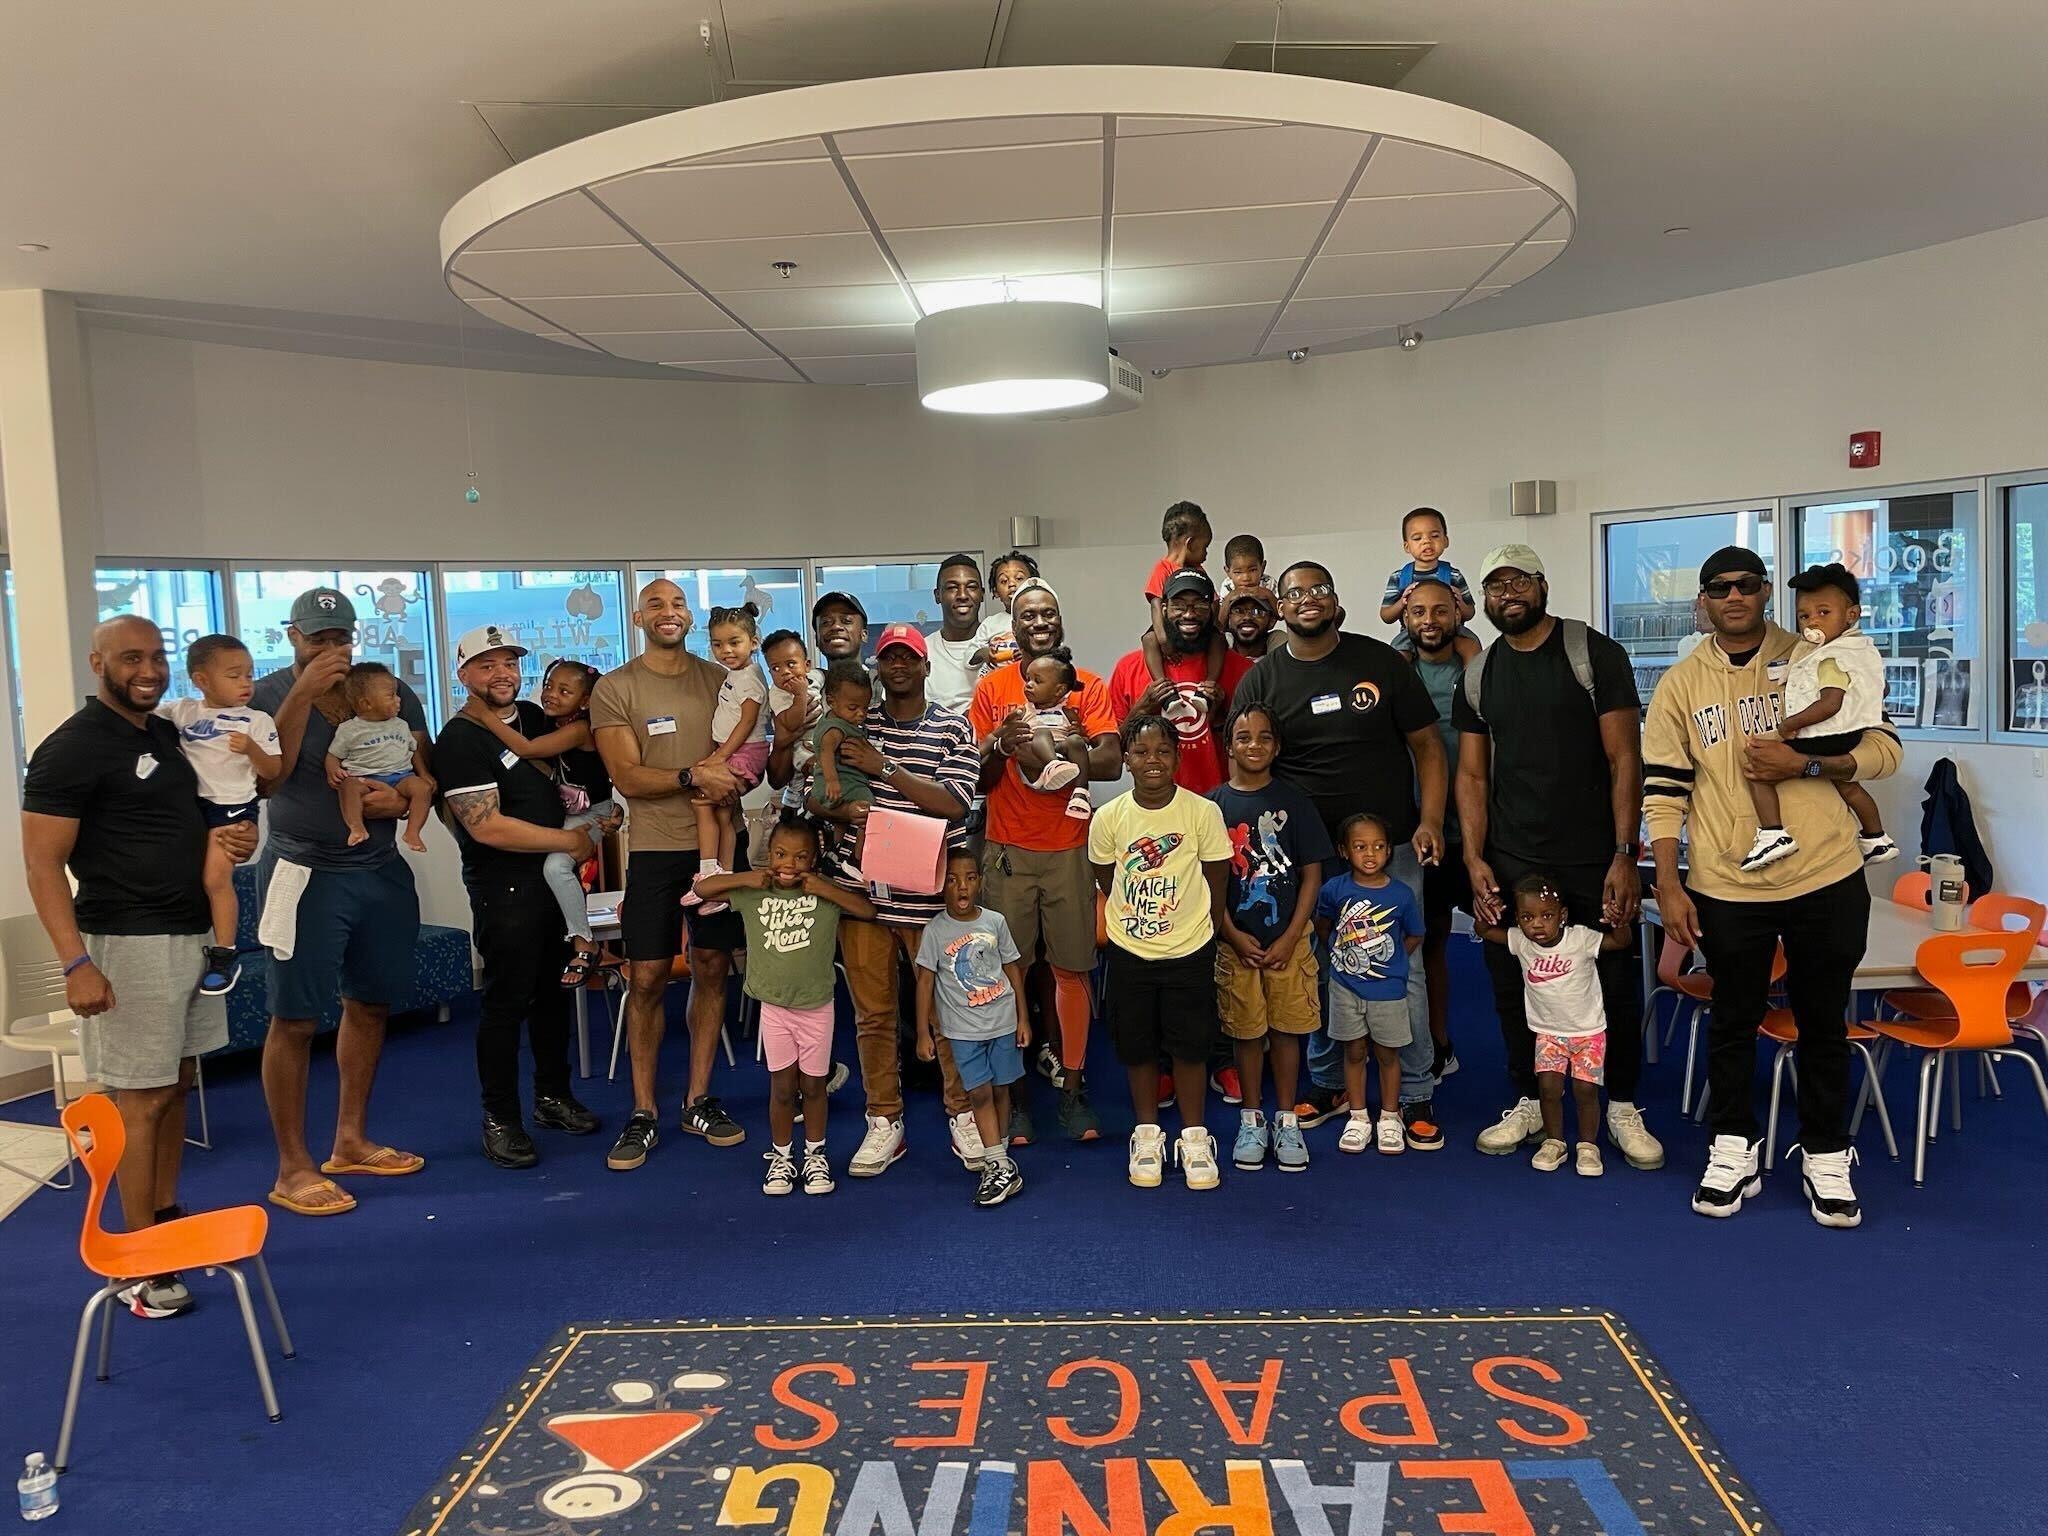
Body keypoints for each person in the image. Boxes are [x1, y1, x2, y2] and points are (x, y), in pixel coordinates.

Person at [1645, 545, 1901, 1228]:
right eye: (1719, 587)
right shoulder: (1679, 685)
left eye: (1747, 585)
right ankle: (1733, 1142)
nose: (1733, 596)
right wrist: (1668, 882)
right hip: (1728, 882)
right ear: (1703, 601)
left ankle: (1825, 1150)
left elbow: (1885, 750)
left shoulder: (1820, 654)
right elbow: (1664, 791)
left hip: (1824, 873)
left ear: (1764, 594)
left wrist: (1810, 764)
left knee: (1822, 1022)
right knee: (1731, 1020)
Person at [22, 616, 259, 1316]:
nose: (147, 670)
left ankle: (165, 1222)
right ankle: (137, 1266)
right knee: (140, 1097)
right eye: (131, 658)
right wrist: (75, 964)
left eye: (156, 657)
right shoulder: (71, 748)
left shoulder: (162, 733)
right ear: (98, 662)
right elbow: (42, 866)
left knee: (177, 1086)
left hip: (190, 934)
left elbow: (194, 814)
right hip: (125, 944)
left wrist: (230, 839)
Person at [1454, 544, 1663, 1172]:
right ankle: (1528, 1098)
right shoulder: (1480, 672)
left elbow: (1627, 757)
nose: (1506, 595)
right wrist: (1474, 857)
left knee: (1614, 983)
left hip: (1592, 856)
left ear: (1543, 585)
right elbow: (1471, 775)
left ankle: (1621, 1104)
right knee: (1513, 985)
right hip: (1512, 858)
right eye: (1494, 586)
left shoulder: (1591, 653)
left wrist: (1625, 853)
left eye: (1518, 581)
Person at [1230, 561, 1449, 1149]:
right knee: (1325, 966)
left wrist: (1430, 818)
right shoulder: (1262, 680)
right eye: (1295, 593)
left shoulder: (1379, 662)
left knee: (1400, 965)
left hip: (1391, 846)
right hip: (1308, 858)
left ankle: (1414, 1089)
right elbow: (1245, 762)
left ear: (1336, 599)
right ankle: (1330, 1083)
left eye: (1319, 589)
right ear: (1280, 606)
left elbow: (1427, 745)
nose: (1308, 600)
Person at [251, 586, 430, 1217]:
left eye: (340, 638)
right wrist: (303, 693)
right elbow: (266, 776)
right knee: (294, 1019)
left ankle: (349, 1140)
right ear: (292, 635)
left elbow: (419, 762)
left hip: (378, 867)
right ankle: (291, 1165)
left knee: (371, 1004)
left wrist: (402, 801)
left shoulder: (384, 687)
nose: (331, 649)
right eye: (317, 638)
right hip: (303, 870)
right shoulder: (268, 694)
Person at [588, 577, 747, 1170]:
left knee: (712, 967)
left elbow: (747, 752)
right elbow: (628, 778)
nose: (669, 612)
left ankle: (698, 1098)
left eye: (678, 603)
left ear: (690, 614)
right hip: (655, 852)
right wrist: (693, 777)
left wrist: (739, 776)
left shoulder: (721, 680)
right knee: (648, 979)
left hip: (719, 852)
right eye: (656, 603)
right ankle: (643, 1111)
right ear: (638, 616)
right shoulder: (615, 688)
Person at [435, 627, 607, 1168]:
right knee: (506, 1004)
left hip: (553, 884)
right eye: (486, 665)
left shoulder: (535, 718)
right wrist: (572, 841)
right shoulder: (460, 740)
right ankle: (500, 1118)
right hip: (503, 888)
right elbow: (487, 828)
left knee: (554, 996)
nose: (502, 674)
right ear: (463, 675)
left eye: (508, 662)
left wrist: (601, 818)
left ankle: (552, 1097)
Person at [829, 622, 984, 1177]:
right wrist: (838, 806)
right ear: (878, 666)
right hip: (864, 895)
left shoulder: (951, 726)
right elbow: (820, 792)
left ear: (924, 666)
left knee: (948, 1016)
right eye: (889, 657)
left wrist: (883, 769)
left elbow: (955, 806)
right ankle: (883, 1121)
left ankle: (962, 1115)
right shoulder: (855, 723)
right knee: (874, 1016)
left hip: (930, 897)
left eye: (908, 657)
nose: (898, 666)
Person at [970, 579, 1123, 1141]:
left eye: (1049, 613)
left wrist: (1060, 745)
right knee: (1007, 976)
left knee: (1073, 971)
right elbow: (978, 777)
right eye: (1029, 614)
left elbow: (1109, 762)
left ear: (1060, 621)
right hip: (1009, 847)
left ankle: (1075, 1092)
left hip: (1070, 848)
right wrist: (1001, 746)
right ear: (1012, 625)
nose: (1040, 621)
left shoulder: (1088, 685)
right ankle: (1015, 1101)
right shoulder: (993, 688)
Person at [1089, 714, 1233, 1189]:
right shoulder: (1109, 818)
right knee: (1138, 1045)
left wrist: (1197, 928)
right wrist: (1136, 922)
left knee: (1191, 1045)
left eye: (1163, 751)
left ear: (1177, 756)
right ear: (1126, 759)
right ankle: (1147, 1133)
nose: (1153, 760)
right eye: (1141, 752)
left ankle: (1193, 1136)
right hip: (1131, 951)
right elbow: (1108, 880)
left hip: (1189, 948)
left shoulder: (1202, 812)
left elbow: (1215, 879)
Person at [700, 817, 876, 1198]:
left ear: (813, 860)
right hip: (775, 1009)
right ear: (769, 855)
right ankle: (781, 1157)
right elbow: (703, 888)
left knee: (813, 1087)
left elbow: (866, 910)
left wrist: (824, 887)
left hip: (817, 1008)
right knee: (781, 1088)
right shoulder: (755, 892)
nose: (789, 864)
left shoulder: (823, 893)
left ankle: (815, 1155)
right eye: (780, 854)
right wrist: (746, 877)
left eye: (800, 857)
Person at [1210, 703, 1330, 1172]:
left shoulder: (1295, 803)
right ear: (1229, 747)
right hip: (1235, 942)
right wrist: (1232, 934)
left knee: (1286, 1030)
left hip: (1288, 944)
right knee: (1246, 1031)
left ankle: (1286, 1119)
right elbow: (1206, 879)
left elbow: (1312, 875)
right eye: (1243, 738)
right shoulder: (1213, 805)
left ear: (1276, 747)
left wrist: (1292, 936)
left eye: (1263, 737)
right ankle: (1251, 1117)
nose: (1253, 745)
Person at [459, 656, 615, 986]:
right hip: (572, 813)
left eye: (564, 690)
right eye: (547, 686)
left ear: (585, 701)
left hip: (590, 815)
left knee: (555, 868)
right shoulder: (546, 720)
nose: (550, 694)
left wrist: (485, 716)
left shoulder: (579, 729)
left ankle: (584, 941)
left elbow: (527, 749)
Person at [1471, 872, 1631, 1176]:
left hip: (1588, 1033)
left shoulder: (1580, 938)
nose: (1538, 924)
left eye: (1547, 916)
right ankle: (1555, 1141)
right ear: (1518, 920)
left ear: (1563, 916)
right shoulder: (1520, 941)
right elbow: (1485, 931)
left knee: (1585, 1090)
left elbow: (1620, 943)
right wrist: (1489, 908)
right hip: (1548, 1033)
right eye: (1528, 917)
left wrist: (1618, 921)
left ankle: (1587, 1146)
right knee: (1547, 1088)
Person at [1741, 562, 1898, 870]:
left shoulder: (1831, 657)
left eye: (1823, 613)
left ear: (1851, 615)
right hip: (1850, 733)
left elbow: (1830, 704)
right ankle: (1877, 838)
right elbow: (1881, 687)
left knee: (1757, 765)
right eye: (1804, 616)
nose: (1812, 622)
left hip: (1830, 734)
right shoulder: (1856, 649)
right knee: (1847, 785)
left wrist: (1790, 724)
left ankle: (1773, 833)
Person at [158, 633, 280, 995]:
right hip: (193, 808)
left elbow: (273, 771)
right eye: (234, 675)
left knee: (215, 879)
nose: (246, 683)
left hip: (233, 807)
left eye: (249, 675)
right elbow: (137, 718)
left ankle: (225, 953)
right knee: (187, 879)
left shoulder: (255, 720)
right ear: (201, 680)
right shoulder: (182, 711)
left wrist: (252, 749)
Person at [915, 849, 1031, 1207]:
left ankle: (999, 1158)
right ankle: (996, 1161)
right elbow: (925, 982)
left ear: (980, 881)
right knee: (978, 1093)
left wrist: (1023, 1017)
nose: (961, 886)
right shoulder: (936, 929)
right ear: (942, 886)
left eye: (969, 878)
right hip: (963, 1030)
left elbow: (1012, 969)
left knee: (1000, 1090)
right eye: (952, 879)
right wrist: (923, 1031)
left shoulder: (994, 922)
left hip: (1002, 1022)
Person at [1314, 813, 1425, 1155]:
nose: (1370, 854)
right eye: (1360, 847)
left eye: (1378, 847)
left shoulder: (1401, 894)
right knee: (1354, 1051)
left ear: (1390, 851)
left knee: (1388, 1054)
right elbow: (1323, 923)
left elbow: (1415, 934)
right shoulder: (1334, 889)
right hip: (1345, 989)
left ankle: (1390, 1118)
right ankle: (1359, 1117)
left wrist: (1393, 964)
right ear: (1344, 851)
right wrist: (1335, 950)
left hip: (1388, 992)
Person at [1401, 581, 1469, 1078]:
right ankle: (1428, 1045)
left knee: (1486, 937)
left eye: (1439, 611)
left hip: (1471, 825)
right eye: (1419, 611)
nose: (1429, 620)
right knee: (1426, 942)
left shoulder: (1477, 666)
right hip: (1419, 827)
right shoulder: (1393, 672)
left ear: (1457, 614)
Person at [1108, 569, 1251, 796]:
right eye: (1179, 605)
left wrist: (1221, 714)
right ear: (1163, 610)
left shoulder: (1242, 670)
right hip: (1154, 807)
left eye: (1200, 605)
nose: (1189, 614)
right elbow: (1112, 752)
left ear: (1212, 611)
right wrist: (1142, 708)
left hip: (1223, 804)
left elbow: (1257, 746)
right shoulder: (1128, 668)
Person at [685, 604, 771, 909]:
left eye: (734, 642)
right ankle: (723, 887)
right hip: (738, 751)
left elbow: (747, 722)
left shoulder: (749, 678)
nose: (725, 651)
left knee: (701, 801)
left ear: (754, 641)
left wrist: (719, 757)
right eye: (717, 644)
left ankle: (707, 874)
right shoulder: (738, 673)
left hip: (745, 753)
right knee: (723, 815)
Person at [326, 662, 434, 852]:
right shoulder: (350, 729)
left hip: (401, 776)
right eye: (391, 696)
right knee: (348, 787)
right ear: (366, 703)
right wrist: (332, 768)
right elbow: (333, 755)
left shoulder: (400, 724)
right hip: (364, 778)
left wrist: (423, 773)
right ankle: (356, 827)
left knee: (422, 789)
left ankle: (413, 831)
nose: (398, 700)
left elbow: (413, 750)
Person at [1141, 501, 1228, 699]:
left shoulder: (1198, 571)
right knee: (1149, 639)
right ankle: (1164, 690)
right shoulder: (1162, 569)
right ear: (1190, 543)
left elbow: (1213, 600)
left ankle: (1208, 686)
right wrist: (1164, 641)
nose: (1206, 554)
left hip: (1198, 631)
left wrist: (1215, 624)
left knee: (1218, 640)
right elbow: (1156, 606)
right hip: (1168, 630)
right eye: (1205, 547)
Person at [807, 658, 878, 878]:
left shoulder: (832, 720)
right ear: (832, 701)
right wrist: (832, 781)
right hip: (842, 784)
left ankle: (835, 850)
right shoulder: (836, 729)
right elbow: (826, 752)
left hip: (831, 785)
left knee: (841, 820)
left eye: (865, 708)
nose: (860, 714)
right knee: (870, 811)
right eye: (853, 708)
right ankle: (857, 859)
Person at [1379, 507, 1478, 657]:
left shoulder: (1454, 575)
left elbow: (1470, 613)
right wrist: (1402, 602)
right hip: (1410, 633)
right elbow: (1386, 616)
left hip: (1452, 631)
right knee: (1399, 656)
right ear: (1407, 546)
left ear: (1446, 540)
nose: (1426, 542)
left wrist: (1460, 603)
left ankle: (1470, 680)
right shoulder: (1399, 577)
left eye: (1435, 536)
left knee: (1471, 646)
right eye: (1418, 538)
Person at [1012, 648, 1094, 817]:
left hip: (1064, 767)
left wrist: (1078, 733)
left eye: (1037, 681)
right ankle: (1052, 764)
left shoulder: (1068, 713)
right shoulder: (1023, 711)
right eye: (1028, 679)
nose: (1028, 684)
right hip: (1035, 770)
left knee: (1076, 741)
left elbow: (1084, 740)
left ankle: (1080, 792)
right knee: (1041, 733)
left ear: (1058, 690)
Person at [763, 628, 823, 813]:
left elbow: (821, 678)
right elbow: (791, 723)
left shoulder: (814, 677)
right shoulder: (778, 693)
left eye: (791, 664)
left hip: (820, 739)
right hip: (799, 744)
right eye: (776, 668)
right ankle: (793, 801)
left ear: (807, 665)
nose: (785, 672)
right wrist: (800, 696)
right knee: (802, 769)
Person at [923, 554, 988, 713]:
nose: (963, 595)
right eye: (952, 587)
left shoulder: (1000, 644)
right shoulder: (922, 651)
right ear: (937, 595)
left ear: (982, 594)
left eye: (971, 587)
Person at [968, 552, 1039, 673]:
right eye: (1004, 581)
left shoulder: (1041, 619)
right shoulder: (990, 623)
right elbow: (969, 657)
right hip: (999, 685)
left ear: (1033, 584)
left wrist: (1031, 656)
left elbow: (1054, 654)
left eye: (1019, 578)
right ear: (995, 591)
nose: (1011, 584)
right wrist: (984, 653)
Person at [1224, 585, 1278, 660]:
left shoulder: (1278, 660)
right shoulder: (1217, 653)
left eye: (1257, 612)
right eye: (1239, 611)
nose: (1247, 617)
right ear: (1229, 618)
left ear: (1272, 621)